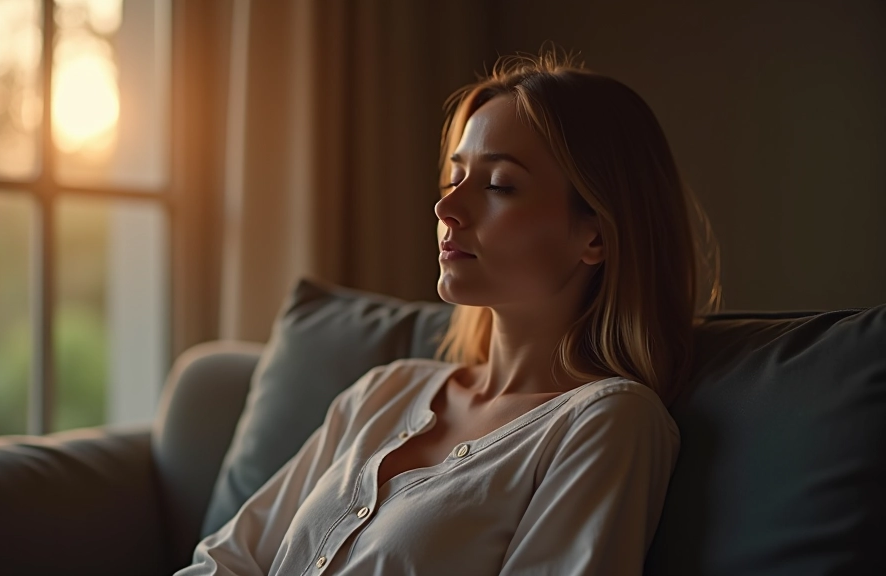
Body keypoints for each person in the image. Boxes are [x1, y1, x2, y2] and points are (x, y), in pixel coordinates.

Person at [175, 50, 721, 576]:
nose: (446, 208)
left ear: (595, 234)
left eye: (499, 185)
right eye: (453, 178)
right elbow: (228, 559)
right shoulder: (383, 392)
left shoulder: (607, 423)